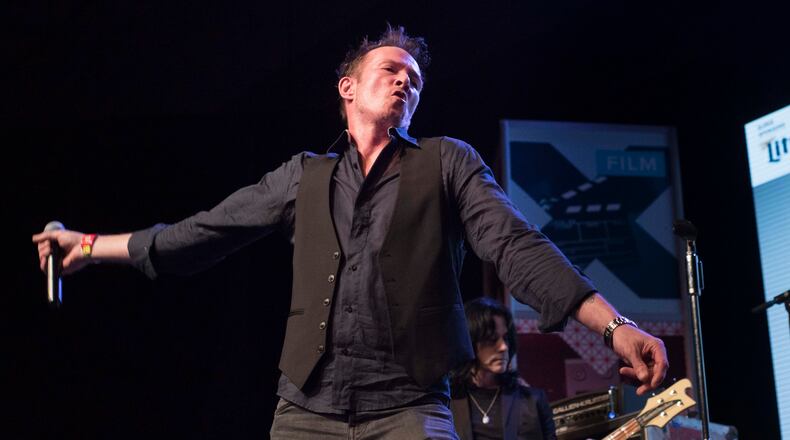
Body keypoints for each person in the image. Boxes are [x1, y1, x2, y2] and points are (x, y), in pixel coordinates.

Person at [33, 25, 668, 439]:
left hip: (409, 408)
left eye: (414, 81)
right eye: (391, 70)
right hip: (306, 410)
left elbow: (514, 244)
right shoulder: (303, 178)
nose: (405, 81)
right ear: (348, 87)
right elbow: (200, 233)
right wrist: (88, 247)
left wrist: (614, 327)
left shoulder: (447, 162)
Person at [450, 297, 556, 440]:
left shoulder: (533, 401)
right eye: (492, 339)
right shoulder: (447, 402)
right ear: (470, 341)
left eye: (505, 338)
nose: (503, 347)